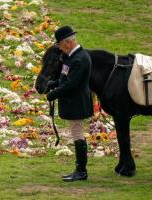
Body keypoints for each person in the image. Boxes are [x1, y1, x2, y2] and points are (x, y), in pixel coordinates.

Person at [46, 26, 93, 182]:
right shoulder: (72, 57)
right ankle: (80, 169)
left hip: (77, 102)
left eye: (59, 45)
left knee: (78, 135)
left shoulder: (79, 59)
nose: (60, 48)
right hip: (73, 102)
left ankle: (81, 171)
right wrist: (54, 83)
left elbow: (71, 85)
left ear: (67, 43)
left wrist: (53, 94)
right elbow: (65, 77)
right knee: (76, 134)